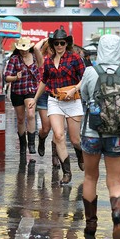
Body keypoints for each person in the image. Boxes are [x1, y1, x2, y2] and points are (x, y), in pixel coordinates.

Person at [80, 34, 120, 239]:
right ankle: (117, 213)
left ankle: (91, 224)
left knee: (90, 177)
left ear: (101, 50)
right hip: (118, 136)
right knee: (115, 182)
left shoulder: (90, 72)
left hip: (92, 134)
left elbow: (84, 98)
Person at [28, 28, 85, 185]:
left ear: (67, 43)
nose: (60, 45)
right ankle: (66, 172)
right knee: (59, 135)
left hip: (73, 101)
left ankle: (80, 154)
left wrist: (74, 89)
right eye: (56, 43)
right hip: (54, 101)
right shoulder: (47, 61)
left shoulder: (75, 58)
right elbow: (44, 81)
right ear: (53, 44)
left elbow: (84, 78)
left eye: (62, 43)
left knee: (75, 139)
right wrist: (35, 98)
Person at [4, 37, 44, 156]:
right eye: (22, 49)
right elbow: (6, 77)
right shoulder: (14, 59)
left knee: (31, 114)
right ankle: (23, 144)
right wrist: (16, 77)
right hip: (17, 91)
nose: (24, 51)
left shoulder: (35, 57)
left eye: (26, 48)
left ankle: (31, 144)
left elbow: (41, 60)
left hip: (31, 90)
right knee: (20, 119)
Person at [36, 39, 60, 168]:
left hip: (57, 95)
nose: (54, 50)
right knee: (46, 128)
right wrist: (45, 39)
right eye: (51, 48)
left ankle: (55, 156)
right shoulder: (43, 60)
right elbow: (35, 48)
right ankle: (41, 139)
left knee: (58, 130)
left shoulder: (62, 59)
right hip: (44, 95)